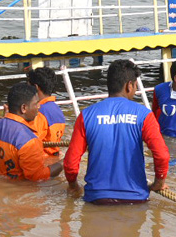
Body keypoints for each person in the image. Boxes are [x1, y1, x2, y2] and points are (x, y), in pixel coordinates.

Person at [63, 59, 169, 204]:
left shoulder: (86, 115)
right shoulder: (144, 115)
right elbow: (162, 155)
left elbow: (70, 162)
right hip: (136, 199)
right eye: (135, 86)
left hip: (96, 200)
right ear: (129, 86)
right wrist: (159, 182)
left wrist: (73, 185)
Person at [0, 82, 63, 181]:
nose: (39, 106)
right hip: (21, 190)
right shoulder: (31, 141)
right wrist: (63, 163)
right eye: (36, 103)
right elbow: (37, 177)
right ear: (24, 108)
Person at [25, 66, 67, 154]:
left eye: (28, 86)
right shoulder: (57, 109)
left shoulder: (38, 112)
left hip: (42, 159)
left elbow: (29, 144)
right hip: (53, 155)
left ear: (36, 87)